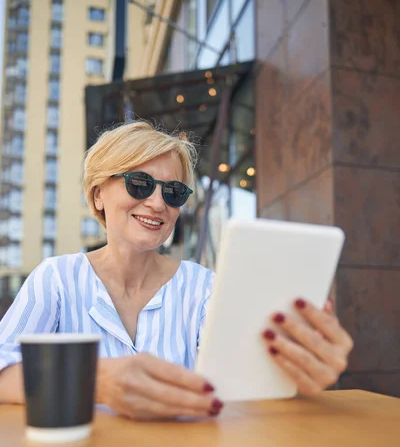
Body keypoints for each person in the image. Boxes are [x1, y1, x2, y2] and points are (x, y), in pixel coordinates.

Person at [0, 121, 353, 420]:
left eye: (173, 191)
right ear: (97, 195)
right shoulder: (56, 279)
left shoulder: (202, 287)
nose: (157, 202)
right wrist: (98, 381)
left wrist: (296, 366)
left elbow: (241, 382)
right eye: (139, 183)